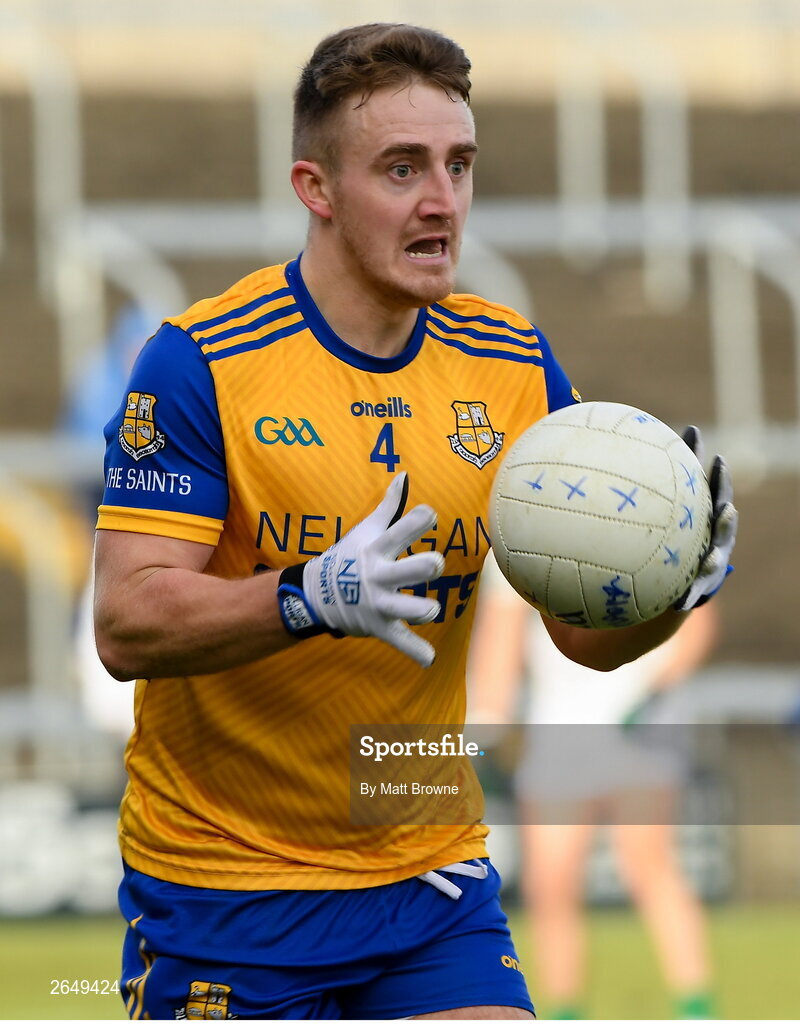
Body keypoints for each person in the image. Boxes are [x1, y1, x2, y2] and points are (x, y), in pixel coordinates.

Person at [92, 23, 737, 1021]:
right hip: (226, 894)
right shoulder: (200, 362)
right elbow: (125, 623)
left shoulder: (510, 361)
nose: (441, 200)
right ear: (315, 188)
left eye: (457, 164)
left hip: (428, 880)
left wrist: (663, 585)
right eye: (401, 168)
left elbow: (580, 636)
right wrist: (308, 597)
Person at [470, 556, 720, 1019]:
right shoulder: (518, 531)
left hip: (641, 735)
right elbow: (498, 642)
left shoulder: (659, 511)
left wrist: (646, 697)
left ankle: (697, 1010)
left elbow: (697, 625)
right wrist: (486, 729)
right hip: (560, 736)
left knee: (648, 866)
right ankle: (567, 1012)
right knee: (552, 884)